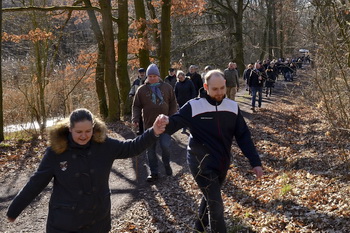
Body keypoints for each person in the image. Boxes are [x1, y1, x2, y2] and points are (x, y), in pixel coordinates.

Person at [6, 108, 168, 233]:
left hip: (97, 220)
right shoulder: (56, 152)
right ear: (70, 129)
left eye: (88, 131)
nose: (84, 136)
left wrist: (153, 131)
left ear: (93, 128)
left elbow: (131, 147)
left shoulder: (104, 145)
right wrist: (14, 210)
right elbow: (36, 182)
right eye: (79, 132)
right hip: (64, 223)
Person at [164, 69, 263, 233]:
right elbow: (174, 123)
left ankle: (199, 228)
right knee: (216, 205)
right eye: (215, 89)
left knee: (209, 198)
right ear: (206, 87)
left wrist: (255, 162)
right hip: (200, 162)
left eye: (222, 88)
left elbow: (243, 136)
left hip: (222, 162)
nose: (219, 93)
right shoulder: (194, 106)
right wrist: (163, 122)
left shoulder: (232, 107)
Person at [132, 64, 178, 182]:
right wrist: (135, 119)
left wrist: (172, 118)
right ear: (147, 77)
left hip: (165, 125)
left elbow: (173, 103)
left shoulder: (167, 87)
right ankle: (154, 172)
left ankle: (167, 165)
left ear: (158, 76)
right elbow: (136, 106)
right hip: (149, 125)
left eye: (154, 76)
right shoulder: (141, 90)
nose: (152, 78)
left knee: (165, 146)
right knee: (150, 150)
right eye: (150, 76)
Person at [129, 68, 147, 134]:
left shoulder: (147, 80)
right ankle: (141, 130)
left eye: (143, 72)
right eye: (140, 73)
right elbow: (133, 88)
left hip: (146, 100)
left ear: (145, 73)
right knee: (138, 116)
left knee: (146, 115)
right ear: (138, 73)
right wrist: (131, 94)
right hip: (138, 100)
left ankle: (147, 129)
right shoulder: (136, 81)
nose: (142, 74)